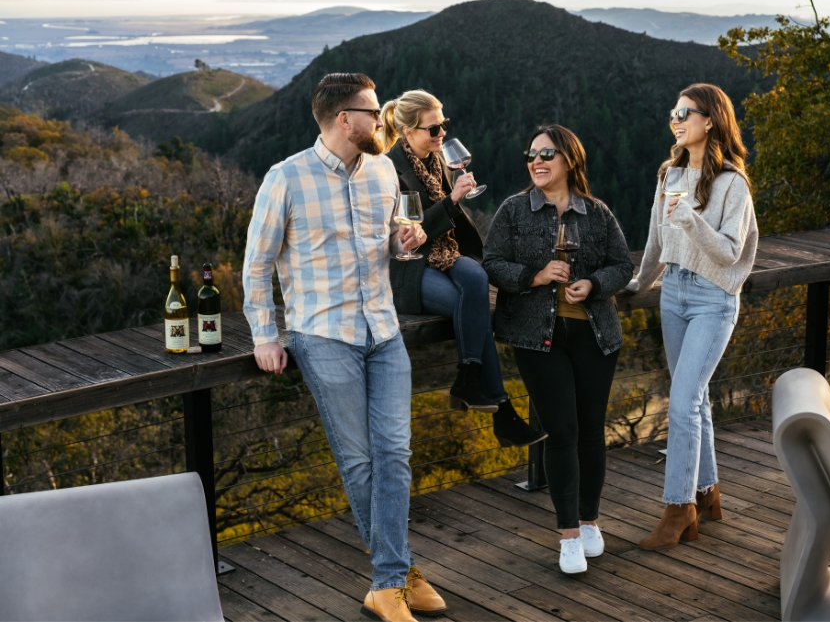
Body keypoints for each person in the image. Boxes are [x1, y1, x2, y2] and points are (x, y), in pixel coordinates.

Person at [243, 73, 447, 622]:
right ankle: (393, 577)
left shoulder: (382, 170)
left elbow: (391, 242)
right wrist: (266, 335)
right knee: (359, 461)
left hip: (383, 332)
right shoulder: (285, 178)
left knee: (396, 455)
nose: (382, 121)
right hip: (323, 335)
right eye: (374, 113)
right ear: (344, 119)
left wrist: (407, 242)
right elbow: (256, 267)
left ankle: (392, 577)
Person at [482, 124, 634, 574]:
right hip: (537, 338)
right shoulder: (513, 210)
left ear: (570, 159)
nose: (537, 161)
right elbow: (491, 264)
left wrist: (593, 283)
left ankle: (590, 522)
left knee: (590, 431)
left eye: (547, 153)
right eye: (531, 154)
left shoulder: (596, 212)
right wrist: (534, 275)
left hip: (595, 334)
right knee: (562, 432)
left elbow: (622, 264)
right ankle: (568, 534)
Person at [626, 83, 758, 550]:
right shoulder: (669, 174)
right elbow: (656, 242)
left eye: (686, 112)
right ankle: (708, 493)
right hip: (673, 293)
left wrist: (691, 220)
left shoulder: (731, 183)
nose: (676, 120)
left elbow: (727, 253)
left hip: (713, 299)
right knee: (695, 400)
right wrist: (637, 285)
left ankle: (678, 507)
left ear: (711, 120)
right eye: (673, 112)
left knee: (682, 403)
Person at [377, 89, 546, 448]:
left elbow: (442, 226)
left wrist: (455, 196)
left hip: (442, 255)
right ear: (408, 131)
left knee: (476, 276)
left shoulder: (435, 160)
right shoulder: (389, 169)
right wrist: (454, 200)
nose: (442, 135)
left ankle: (469, 376)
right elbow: (412, 235)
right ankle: (501, 411)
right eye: (433, 129)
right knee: (469, 307)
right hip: (408, 269)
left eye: (444, 126)